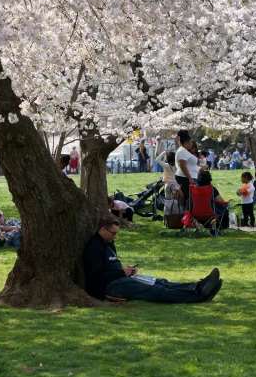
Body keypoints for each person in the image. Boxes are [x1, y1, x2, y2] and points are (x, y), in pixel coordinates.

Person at [84, 214, 222, 303]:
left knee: (160, 282)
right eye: (113, 233)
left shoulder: (109, 244)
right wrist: (121, 273)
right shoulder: (94, 248)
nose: (115, 237)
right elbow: (96, 276)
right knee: (156, 291)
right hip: (110, 287)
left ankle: (198, 286)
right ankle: (199, 297)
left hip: (121, 279)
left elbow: (111, 266)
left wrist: (127, 270)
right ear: (103, 230)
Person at [174, 129, 199, 203]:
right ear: (186, 142)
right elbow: (183, 166)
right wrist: (190, 178)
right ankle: (188, 212)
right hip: (185, 177)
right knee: (188, 198)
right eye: (190, 142)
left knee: (189, 197)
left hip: (188, 176)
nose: (191, 144)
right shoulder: (182, 151)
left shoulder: (183, 150)